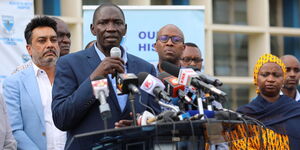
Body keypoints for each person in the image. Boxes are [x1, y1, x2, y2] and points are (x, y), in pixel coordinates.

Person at [51, 3, 160, 149]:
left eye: (117, 23)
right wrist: (96, 75)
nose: (111, 28)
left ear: (125, 29)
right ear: (93, 29)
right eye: (103, 23)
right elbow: (61, 118)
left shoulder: (145, 68)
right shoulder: (69, 64)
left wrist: (141, 123)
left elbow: (157, 117)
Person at [3, 16, 66, 150]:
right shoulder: (14, 83)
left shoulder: (71, 76)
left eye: (53, 40)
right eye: (42, 41)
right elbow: (15, 130)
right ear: (29, 49)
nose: (50, 44)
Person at [237, 53, 300, 149]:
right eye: (264, 75)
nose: (270, 79)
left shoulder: (296, 110)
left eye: (276, 75)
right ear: (256, 78)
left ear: (283, 79)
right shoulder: (244, 115)